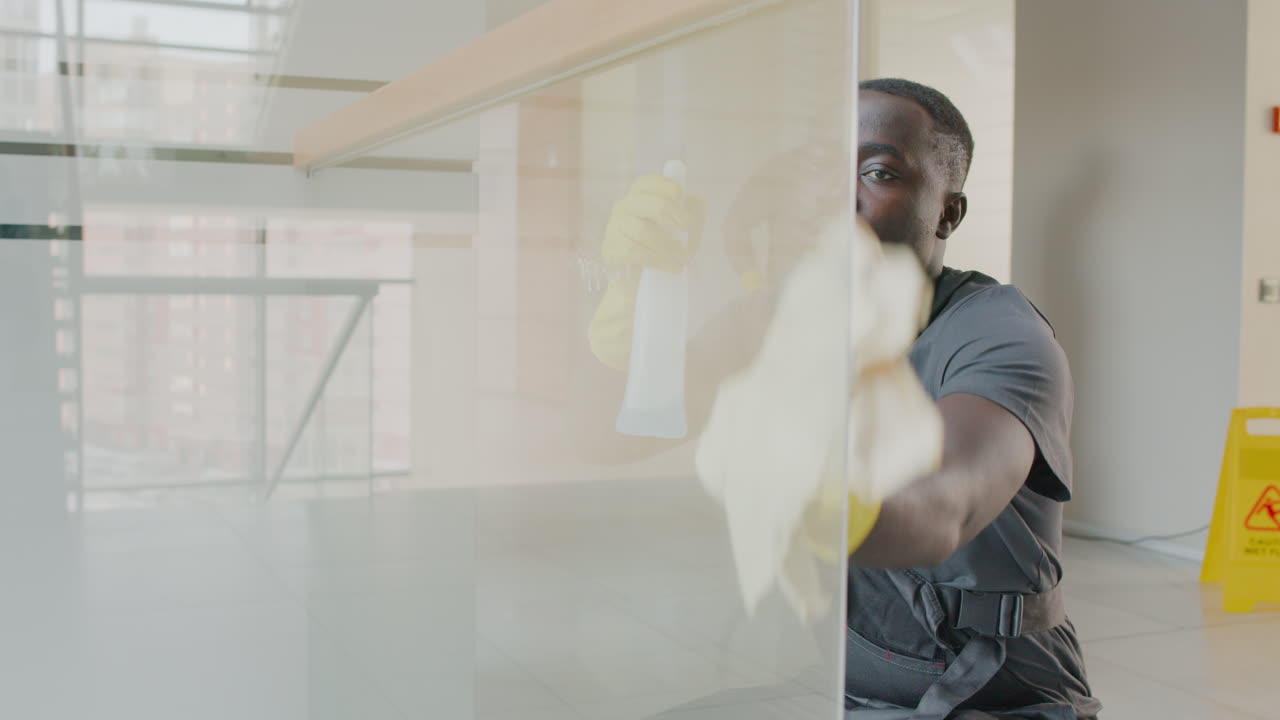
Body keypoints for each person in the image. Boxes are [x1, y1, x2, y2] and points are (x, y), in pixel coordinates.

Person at [575, 78, 1100, 720]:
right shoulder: (780, 318)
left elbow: (944, 507)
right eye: (821, 171)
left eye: (879, 172)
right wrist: (627, 302)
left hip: (996, 697)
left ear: (947, 213)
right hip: (846, 688)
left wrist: (805, 489)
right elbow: (605, 440)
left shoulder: (998, 332)